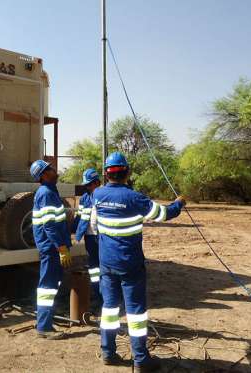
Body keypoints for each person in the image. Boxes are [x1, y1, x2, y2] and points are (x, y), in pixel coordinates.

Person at [92, 152, 186, 372]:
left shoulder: (97, 194)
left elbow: (95, 225)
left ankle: (108, 353)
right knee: (135, 312)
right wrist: (179, 204)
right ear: (127, 172)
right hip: (130, 265)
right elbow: (163, 213)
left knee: (109, 309)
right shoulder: (135, 198)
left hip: (106, 263)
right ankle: (141, 360)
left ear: (106, 173)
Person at [30, 160, 73, 340]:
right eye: (49, 169)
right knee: (47, 287)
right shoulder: (46, 193)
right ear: (43, 175)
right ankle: (44, 327)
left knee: (52, 285)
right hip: (51, 248)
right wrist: (61, 248)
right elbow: (49, 225)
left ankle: (44, 320)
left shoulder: (51, 191)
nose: (54, 170)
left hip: (54, 247)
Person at [74, 168, 102, 309]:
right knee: (94, 267)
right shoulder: (84, 198)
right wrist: (75, 231)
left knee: (105, 266)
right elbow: (79, 217)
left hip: (103, 237)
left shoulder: (104, 196)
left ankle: (107, 294)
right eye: (86, 185)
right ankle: (97, 294)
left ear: (98, 182)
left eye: (90, 184)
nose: (88, 187)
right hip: (90, 238)